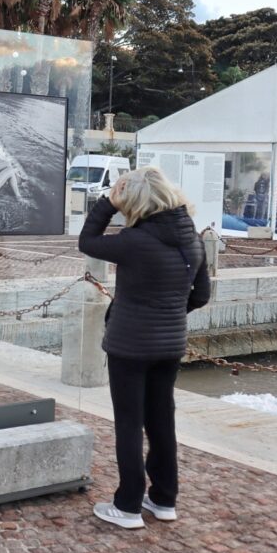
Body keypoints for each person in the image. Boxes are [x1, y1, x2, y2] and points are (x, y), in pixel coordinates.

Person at [78, 167, 211, 530]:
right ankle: (164, 499)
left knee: (129, 425)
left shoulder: (135, 241)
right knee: (161, 421)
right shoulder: (192, 239)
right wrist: (167, 313)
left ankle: (128, 506)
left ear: (135, 202)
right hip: (169, 346)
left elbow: (87, 241)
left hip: (129, 345)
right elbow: (201, 295)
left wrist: (105, 204)